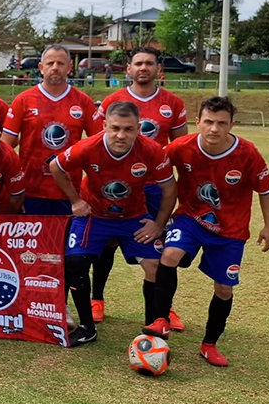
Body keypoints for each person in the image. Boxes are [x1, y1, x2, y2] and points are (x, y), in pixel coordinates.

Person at [143, 97, 269, 366]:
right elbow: (155, 166)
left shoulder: (247, 153)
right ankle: (161, 319)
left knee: (224, 288)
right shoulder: (182, 146)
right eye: (209, 122)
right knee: (169, 255)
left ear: (231, 125)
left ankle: (209, 344)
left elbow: (266, 189)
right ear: (198, 122)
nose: (214, 129)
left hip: (230, 229)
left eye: (222, 123)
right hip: (191, 218)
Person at [50, 101, 177, 347]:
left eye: (128, 129)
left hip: (133, 217)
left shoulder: (152, 150)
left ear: (138, 128)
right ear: (104, 125)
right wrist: (75, 200)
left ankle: (152, 329)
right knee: (75, 262)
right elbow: (56, 166)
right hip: (94, 215)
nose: (121, 135)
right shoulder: (88, 147)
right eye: (115, 128)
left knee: (155, 266)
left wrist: (158, 224)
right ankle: (87, 328)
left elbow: (170, 188)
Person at [91, 47, 189, 327]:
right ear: (129, 69)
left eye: (149, 63)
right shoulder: (113, 100)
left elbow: (179, 148)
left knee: (161, 247)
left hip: (154, 187)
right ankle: (97, 299)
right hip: (117, 185)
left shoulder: (173, 103)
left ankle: (164, 308)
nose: (143, 68)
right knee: (108, 241)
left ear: (159, 69)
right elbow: (100, 143)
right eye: (138, 63)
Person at [1, 44, 100, 217]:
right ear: (41, 67)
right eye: (50, 63)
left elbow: (99, 146)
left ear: (69, 67)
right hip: (30, 191)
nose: (55, 67)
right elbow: (5, 149)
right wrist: (11, 191)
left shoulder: (83, 102)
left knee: (64, 236)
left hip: (70, 193)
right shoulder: (23, 100)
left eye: (60, 63)